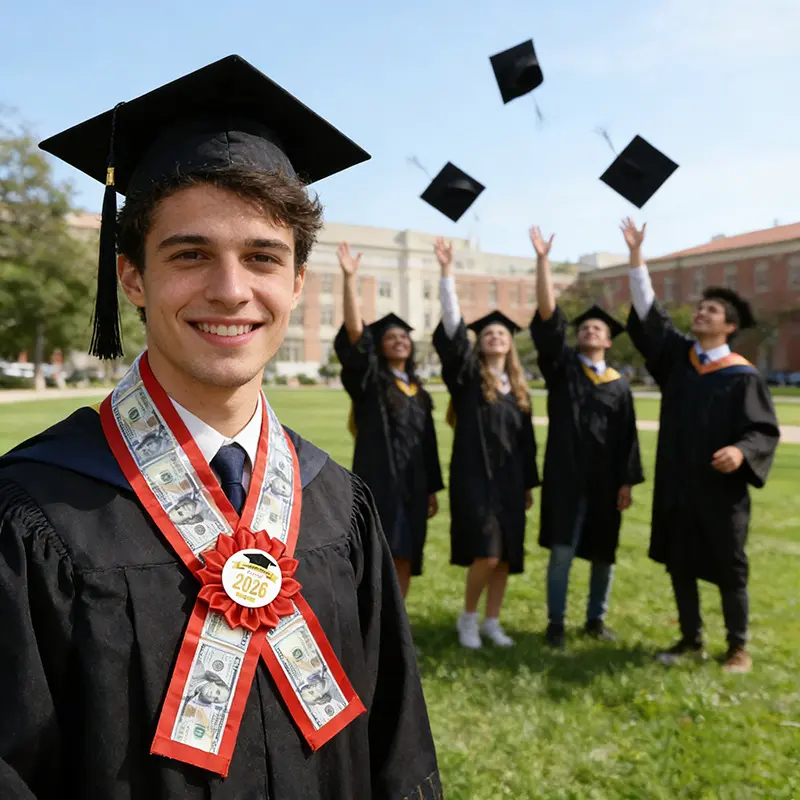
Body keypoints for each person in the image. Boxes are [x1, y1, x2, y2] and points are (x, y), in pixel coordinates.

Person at [0, 56, 442, 799]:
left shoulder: (337, 505)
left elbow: (397, 753)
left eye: (262, 258)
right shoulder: (31, 514)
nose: (232, 290)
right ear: (132, 277)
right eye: (191, 254)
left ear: (298, 283)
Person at [621, 217, 780, 674]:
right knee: (681, 561)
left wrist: (742, 452)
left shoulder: (742, 375)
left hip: (721, 491)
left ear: (729, 326)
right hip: (679, 483)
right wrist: (636, 258)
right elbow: (651, 317)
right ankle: (690, 639)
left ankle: (738, 647)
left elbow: (762, 431)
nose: (701, 313)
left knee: (729, 566)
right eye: (700, 308)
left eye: (712, 310)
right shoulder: (679, 360)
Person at [529, 226, 644, 649]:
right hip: (566, 479)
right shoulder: (562, 370)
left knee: (603, 554)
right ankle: (556, 622)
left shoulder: (619, 385)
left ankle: (596, 618)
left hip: (605, 483)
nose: (591, 331)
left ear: (610, 339)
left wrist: (626, 482)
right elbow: (547, 321)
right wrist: (544, 261)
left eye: (599, 328)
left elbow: (629, 437)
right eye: (586, 327)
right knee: (562, 552)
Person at [432, 237, 539, 649]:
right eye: (489, 333)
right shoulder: (467, 378)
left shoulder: (519, 388)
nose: (495, 337)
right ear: (482, 342)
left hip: (511, 481)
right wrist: (447, 275)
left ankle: (493, 622)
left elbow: (527, 441)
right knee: (487, 553)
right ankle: (469, 617)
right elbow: (454, 333)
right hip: (475, 478)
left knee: (506, 557)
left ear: (511, 342)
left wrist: (529, 483)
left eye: (502, 333)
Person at [334, 241, 444, 599]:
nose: (399, 341)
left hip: (414, 485)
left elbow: (428, 442)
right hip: (379, 482)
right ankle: (368, 627)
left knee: (409, 553)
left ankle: (397, 625)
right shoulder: (371, 384)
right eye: (391, 337)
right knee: (378, 554)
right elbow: (355, 338)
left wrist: (430, 488)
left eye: (404, 337)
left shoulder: (419, 391)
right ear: (380, 346)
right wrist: (350, 279)